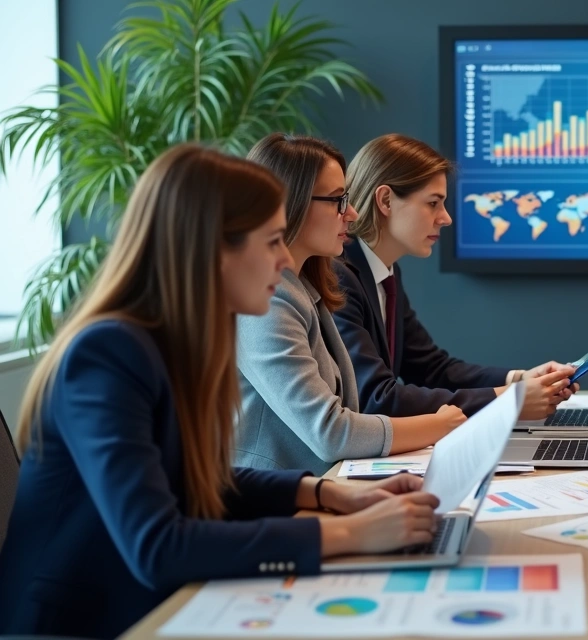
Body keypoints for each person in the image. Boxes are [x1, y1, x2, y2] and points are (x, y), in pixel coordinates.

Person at [0, 145, 440, 638]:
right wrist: (348, 533)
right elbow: (158, 546)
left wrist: (329, 495)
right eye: (271, 241)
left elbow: (196, 479)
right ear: (212, 250)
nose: (284, 259)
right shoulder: (107, 354)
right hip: (85, 623)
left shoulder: (176, 345)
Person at [237, 134, 467, 476]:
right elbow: (331, 432)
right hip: (275, 495)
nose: (352, 213)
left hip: (319, 484)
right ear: (289, 203)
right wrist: (438, 425)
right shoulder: (267, 300)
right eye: (338, 200)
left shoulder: (305, 289)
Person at [336, 133, 575, 419]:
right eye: (433, 203)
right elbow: (377, 398)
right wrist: (508, 400)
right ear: (386, 200)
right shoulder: (340, 277)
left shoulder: (386, 272)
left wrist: (519, 380)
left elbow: (431, 368)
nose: (445, 218)